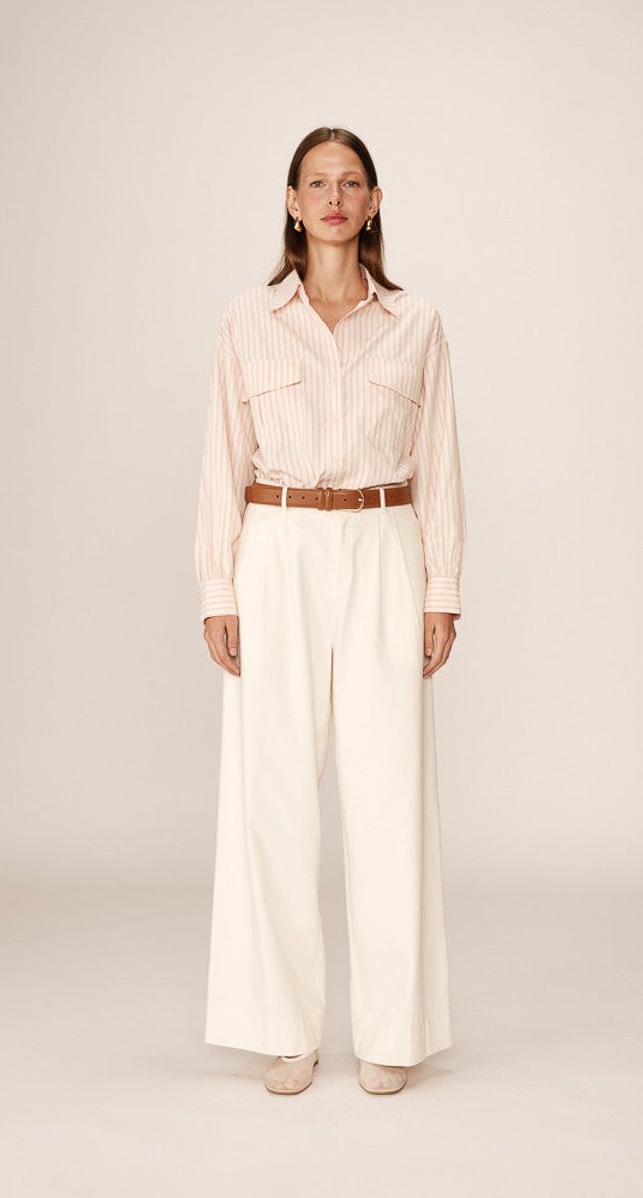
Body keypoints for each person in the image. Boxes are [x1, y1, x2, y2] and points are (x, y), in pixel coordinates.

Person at [193, 126, 467, 1096]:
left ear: (375, 200)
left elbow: (441, 461)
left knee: (390, 789)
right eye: (318, 183)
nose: (335, 197)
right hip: (277, 548)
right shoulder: (248, 318)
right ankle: (284, 1028)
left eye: (351, 182)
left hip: (384, 543)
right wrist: (217, 588)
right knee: (270, 791)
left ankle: (392, 1030)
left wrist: (442, 588)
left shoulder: (417, 321)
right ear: (293, 201)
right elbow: (222, 456)